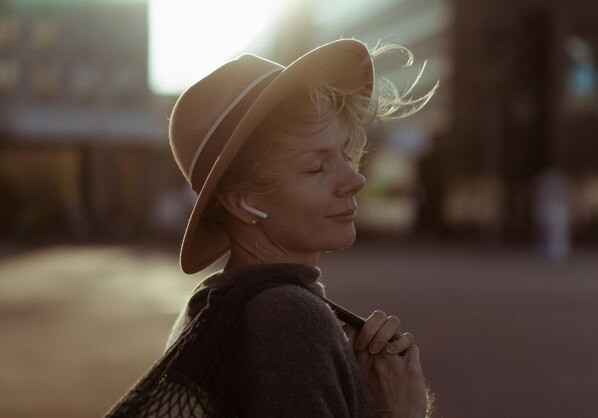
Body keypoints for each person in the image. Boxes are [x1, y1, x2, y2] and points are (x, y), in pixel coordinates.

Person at [107, 39, 436, 418]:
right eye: (316, 167)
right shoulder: (290, 319)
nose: (355, 179)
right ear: (242, 201)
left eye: (345, 154)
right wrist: (403, 412)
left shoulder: (213, 306)